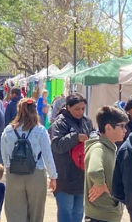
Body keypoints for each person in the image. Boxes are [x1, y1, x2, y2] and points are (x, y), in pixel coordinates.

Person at [1, 98, 58, 222]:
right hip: (36, 174)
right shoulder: (40, 130)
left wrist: (8, 168)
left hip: (14, 173)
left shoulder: (8, 130)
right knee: (36, 213)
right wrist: (53, 176)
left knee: (15, 213)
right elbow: (48, 156)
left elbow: (4, 156)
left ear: (18, 111)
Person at [51, 92, 94, 222]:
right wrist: (76, 137)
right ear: (68, 107)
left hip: (82, 175)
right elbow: (57, 145)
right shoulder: (59, 123)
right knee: (66, 212)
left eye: (82, 109)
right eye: (77, 109)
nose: (80, 112)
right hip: (65, 176)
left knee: (78, 212)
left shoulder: (87, 122)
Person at [84, 106, 128, 222]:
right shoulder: (99, 148)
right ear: (108, 127)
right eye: (122, 126)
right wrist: (100, 185)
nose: (125, 130)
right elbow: (94, 170)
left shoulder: (108, 148)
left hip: (106, 214)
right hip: (100, 215)